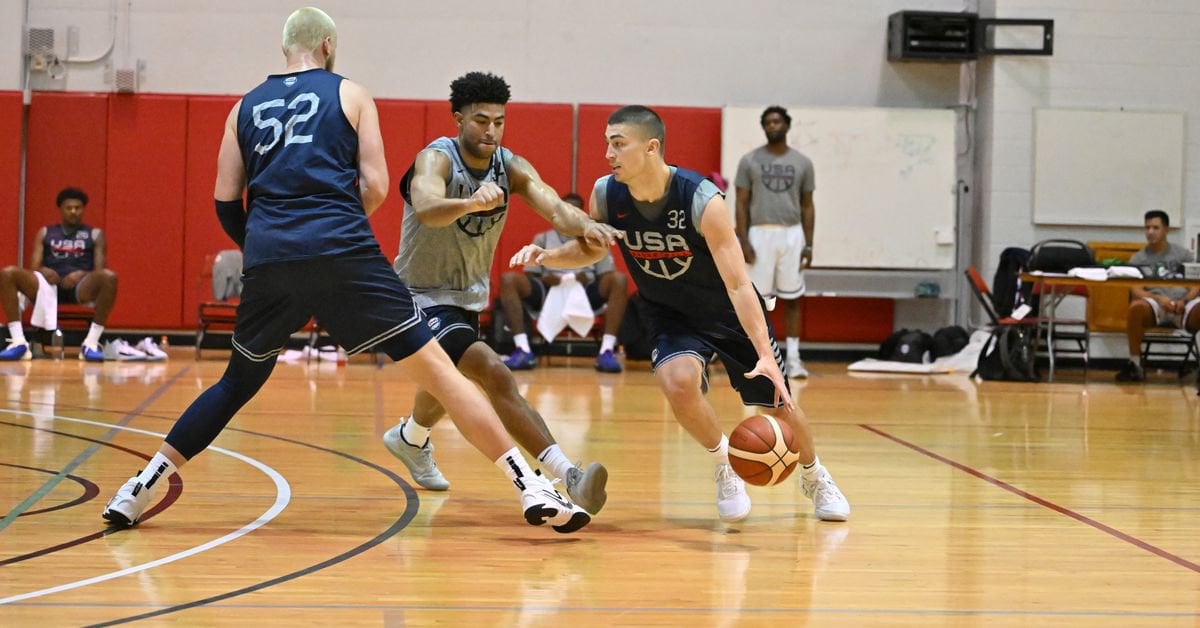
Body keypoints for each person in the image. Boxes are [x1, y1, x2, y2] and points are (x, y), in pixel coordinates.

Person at [101, 8, 590, 534]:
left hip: (270, 257)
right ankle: (532, 487)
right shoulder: (351, 94)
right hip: (342, 250)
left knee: (236, 382)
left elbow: (225, 200)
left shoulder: (242, 107)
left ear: (284, 47)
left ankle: (139, 488)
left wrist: (267, 245)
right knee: (443, 377)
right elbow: (376, 186)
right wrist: (330, 237)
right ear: (329, 45)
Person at [509, 105, 849, 523]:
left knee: (780, 404)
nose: (608, 154)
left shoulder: (701, 199)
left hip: (725, 309)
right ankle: (725, 464)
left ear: (651, 148)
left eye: (618, 144)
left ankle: (815, 476)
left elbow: (740, 283)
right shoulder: (606, 194)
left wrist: (764, 352)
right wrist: (550, 256)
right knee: (678, 383)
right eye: (606, 145)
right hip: (667, 312)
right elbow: (593, 246)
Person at [383, 71, 617, 515]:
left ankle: (411, 438)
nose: (491, 130)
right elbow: (429, 209)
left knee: (444, 387)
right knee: (493, 373)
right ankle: (568, 475)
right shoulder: (436, 159)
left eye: (499, 121)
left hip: (467, 298)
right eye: (480, 120)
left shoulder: (509, 165)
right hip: (420, 296)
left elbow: (554, 206)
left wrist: (588, 225)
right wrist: (471, 203)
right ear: (458, 119)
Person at [500, 192, 629, 373]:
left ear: (582, 213)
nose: (570, 214)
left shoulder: (595, 238)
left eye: (575, 210)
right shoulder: (543, 238)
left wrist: (585, 278)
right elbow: (530, 275)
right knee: (509, 279)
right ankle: (523, 349)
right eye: (566, 209)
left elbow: (607, 274)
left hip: (584, 291)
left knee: (619, 280)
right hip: (550, 291)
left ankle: (607, 350)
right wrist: (546, 279)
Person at [734, 106, 815, 378]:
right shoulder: (749, 161)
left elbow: (807, 206)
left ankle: (793, 359)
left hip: (792, 234)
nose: (772, 126)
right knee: (756, 300)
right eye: (767, 122)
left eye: (777, 121)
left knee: (792, 298)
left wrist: (809, 244)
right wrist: (743, 239)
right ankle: (756, 356)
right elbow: (741, 203)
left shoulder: (803, 163)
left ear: (787, 125)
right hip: (760, 233)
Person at [0, 187, 118, 362]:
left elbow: (99, 270)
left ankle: (91, 343)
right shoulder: (46, 232)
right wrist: (44, 271)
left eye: (77, 208)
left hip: (80, 287)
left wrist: (80, 274)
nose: (73, 211)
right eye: (69, 208)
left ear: (83, 209)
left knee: (109, 277)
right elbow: (34, 266)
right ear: (61, 209)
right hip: (46, 286)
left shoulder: (94, 234)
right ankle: (18, 342)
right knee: (7, 273)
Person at [1115, 209, 1200, 382]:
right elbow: (1135, 289)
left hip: (1183, 304)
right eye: (1147, 228)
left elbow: (1195, 285)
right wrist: (1159, 299)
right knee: (1136, 308)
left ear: (1166, 230)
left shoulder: (1183, 254)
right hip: (1155, 304)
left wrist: (1184, 300)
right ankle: (1135, 365)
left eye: (1155, 227)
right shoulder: (1138, 258)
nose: (1150, 232)